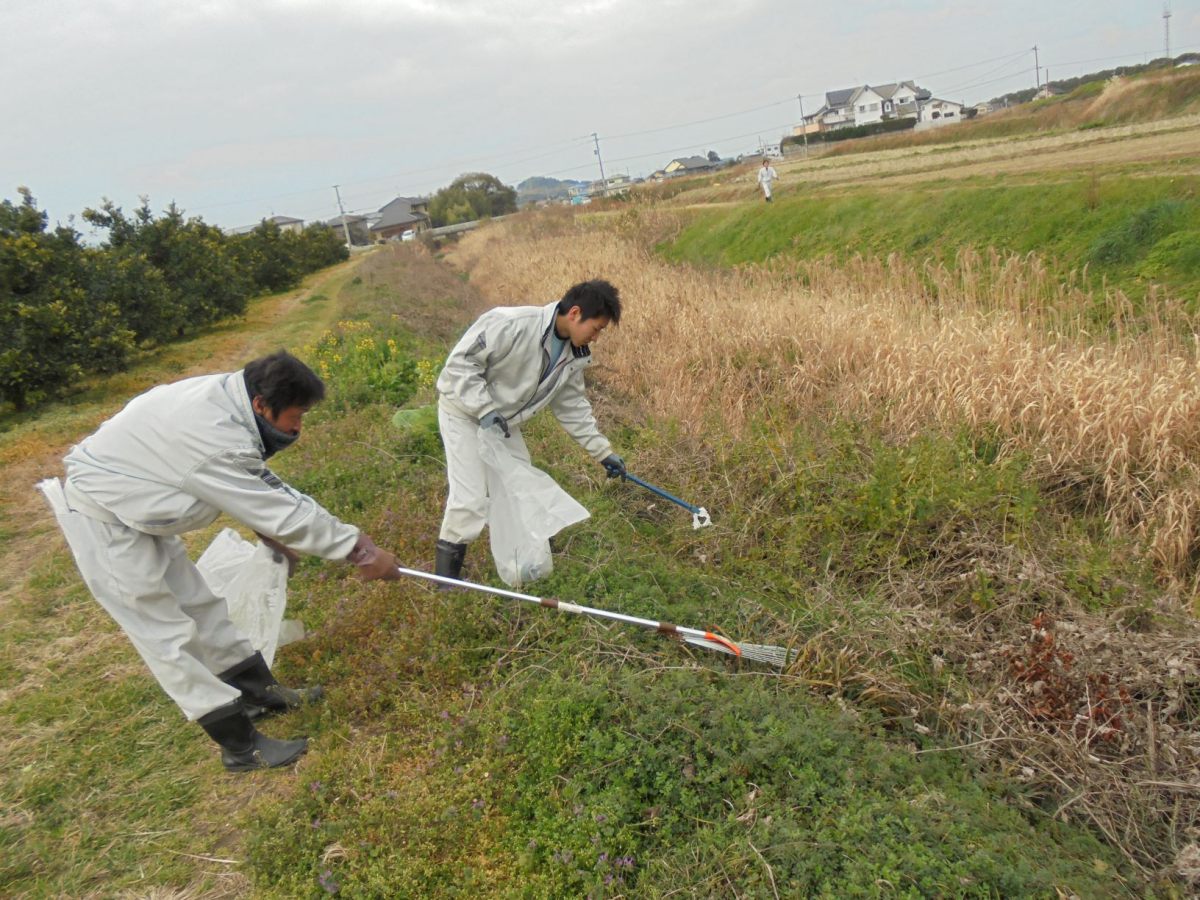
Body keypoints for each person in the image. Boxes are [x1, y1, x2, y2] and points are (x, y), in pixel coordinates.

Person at [38, 351, 401, 773]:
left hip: (138, 503)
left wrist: (281, 533)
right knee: (166, 634)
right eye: (296, 415)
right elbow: (267, 502)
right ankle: (241, 748)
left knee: (201, 606)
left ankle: (259, 693)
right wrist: (358, 551)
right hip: (103, 516)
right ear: (262, 404)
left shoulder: (234, 402)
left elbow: (256, 485)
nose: (298, 428)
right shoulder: (211, 434)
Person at [434, 279, 625, 582]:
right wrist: (484, 409)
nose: (597, 337)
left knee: (521, 490)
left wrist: (603, 452)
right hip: (465, 414)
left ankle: (529, 566)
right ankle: (446, 582)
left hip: (503, 425)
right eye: (597, 328)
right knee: (469, 499)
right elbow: (459, 365)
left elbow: (572, 405)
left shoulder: (573, 356)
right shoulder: (511, 324)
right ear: (575, 313)